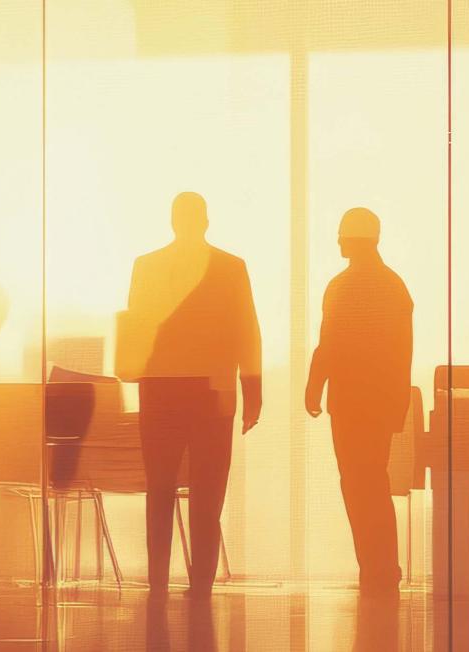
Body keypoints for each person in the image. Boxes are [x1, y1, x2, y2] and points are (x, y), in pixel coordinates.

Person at [121, 191, 261, 598]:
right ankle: (201, 582)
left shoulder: (146, 266)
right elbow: (245, 330)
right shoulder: (231, 267)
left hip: (161, 389)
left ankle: (158, 579)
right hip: (212, 392)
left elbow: (138, 327)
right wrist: (251, 393)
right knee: (208, 491)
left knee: (159, 487)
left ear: (172, 221)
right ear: (205, 221)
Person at [304, 208, 412, 594]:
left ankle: (374, 567)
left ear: (352, 240)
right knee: (375, 482)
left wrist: (314, 387)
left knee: (355, 482)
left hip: (349, 402)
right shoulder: (394, 286)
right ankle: (383, 567)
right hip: (379, 402)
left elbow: (329, 341)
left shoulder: (341, 286)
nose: (336, 241)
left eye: (340, 235)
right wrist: (399, 404)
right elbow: (403, 350)